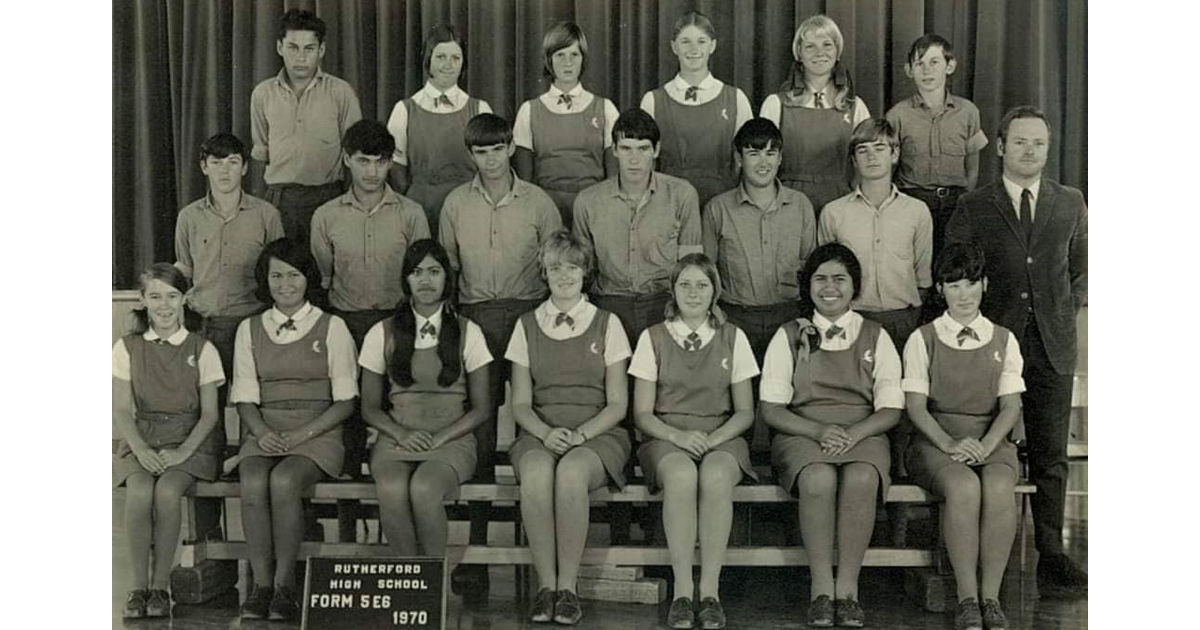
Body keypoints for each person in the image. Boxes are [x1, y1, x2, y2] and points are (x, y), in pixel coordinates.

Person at [946, 105, 1088, 599]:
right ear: (1001, 147)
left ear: (1049, 149)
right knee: (986, 444)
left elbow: (1081, 272)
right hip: (992, 344)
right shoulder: (975, 205)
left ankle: (1051, 553)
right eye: (1021, 142)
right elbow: (958, 267)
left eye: (1040, 144)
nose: (1030, 151)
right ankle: (984, 554)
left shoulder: (1070, 202)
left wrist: (1060, 313)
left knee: (1050, 454)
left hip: (1051, 343)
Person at [439, 112, 562, 596]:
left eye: (498, 149)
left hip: (531, 315)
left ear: (511, 147)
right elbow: (448, 270)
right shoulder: (454, 204)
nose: (490, 159)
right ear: (470, 154)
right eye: (480, 152)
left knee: (542, 418)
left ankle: (544, 552)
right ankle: (478, 549)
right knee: (482, 427)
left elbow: (557, 264)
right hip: (476, 318)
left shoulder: (538, 202)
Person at [760, 242, 903, 628]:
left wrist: (854, 433)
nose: (830, 287)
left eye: (840, 279)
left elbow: (891, 406)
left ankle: (848, 591)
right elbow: (772, 408)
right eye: (820, 278)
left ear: (854, 286)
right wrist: (819, 430)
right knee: (819, 477)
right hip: (803, 431)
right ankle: (821, 590)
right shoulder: (788, 335)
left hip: (864, 431)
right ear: (808, 286)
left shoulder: (876, 335)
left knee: (860, 476)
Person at [504, 230, 632, 625]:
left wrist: (582, 435)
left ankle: (569, 588)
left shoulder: (608, 323)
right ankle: (547, 587)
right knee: (539, 473)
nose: (564, 275)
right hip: (540, 432)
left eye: (572, 267)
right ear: (544, 272)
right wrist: (544, 433)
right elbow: (521, 404)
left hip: (598, 434)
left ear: (585, 272)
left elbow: (617, 404)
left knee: (572, 473)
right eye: (555, 267)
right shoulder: (526, 325)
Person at [230, 239, 358, 621]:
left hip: (317, 433)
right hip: (266, 429)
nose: (286, 284)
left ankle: (286, 587)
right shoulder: (248, 329)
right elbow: (245, 398)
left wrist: (302, 436)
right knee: (252, 481)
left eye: (294, 275)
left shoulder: (332, 326)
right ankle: (261, 587)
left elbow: (346, 401)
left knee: (285, 481)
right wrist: (262, 432)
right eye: (277, 275)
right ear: (265, 280)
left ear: (308, 278)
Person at [629, 253, 759, 630]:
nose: (693, 292)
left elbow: (746, 411)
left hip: (721, 434)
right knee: (682, 477)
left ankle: (711, 593)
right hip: (666, 435)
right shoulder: (652, 337)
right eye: (684, 284)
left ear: (715, 291)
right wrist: (678, 437)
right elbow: (642, 413)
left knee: (717, 476)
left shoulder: (733, 336)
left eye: (702, 284)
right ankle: (683, 591)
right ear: (672, 290)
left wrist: (714, 438)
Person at [902, 242, 1024, 630]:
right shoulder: (923, 338)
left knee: (1000, 487)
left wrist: (987, 445)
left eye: (971, 283)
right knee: (964, 487)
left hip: (991, 439)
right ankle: (967, 597)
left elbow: (1010, 407)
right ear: (940, 290)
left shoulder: (1004, 339)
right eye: (953, 285)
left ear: (984, 285)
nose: (964, 294)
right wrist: (951, 445)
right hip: (936, 440)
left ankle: (991, 597)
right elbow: (916, 408)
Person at [174, 131, 284, 541]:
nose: (225, 170)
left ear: (245, 166)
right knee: (207, 426)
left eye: (233, 162)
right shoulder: (189, 217)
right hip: (204, 331)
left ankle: (271, 528)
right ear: (204, 167)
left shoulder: (265, 215)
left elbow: (278, 273)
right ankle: (209, 534)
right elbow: (185, 271)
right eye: (216, 162)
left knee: (261, 419)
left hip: (254, 328)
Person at [311, 119, 431, 478]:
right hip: (348, 323)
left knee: (401, 411)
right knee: (349, 417)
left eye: (380, 162)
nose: (372, 171)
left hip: (399, 322)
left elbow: (422, 276)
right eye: (363, 161)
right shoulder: (326, 216)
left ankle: (403, 492)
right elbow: (324, 278)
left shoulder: (411, 213)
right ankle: (348, 514)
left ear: (391, 162)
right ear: (347, 159)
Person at [359, 239, 492, 558]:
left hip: (450, 439)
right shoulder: (382, 332)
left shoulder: (468, 331)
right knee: (391, 488)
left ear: (447, 278)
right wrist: (402, 434)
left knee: (424, 487)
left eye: (434, 271)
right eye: (417, 272)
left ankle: (434, 588)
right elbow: (369, 407)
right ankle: (410, 581)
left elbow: (482, 407)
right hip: (397, 438)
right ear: (406, 279)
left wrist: (439, 437)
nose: (426, 280)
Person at [113, 264, 225, 619]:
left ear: (184, 300)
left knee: (167, 491)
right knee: (139, 490)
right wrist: (142, 450)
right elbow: (121, 411)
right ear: (143, 300)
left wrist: (181, 453)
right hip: (143, 439)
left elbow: (209, 415)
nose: (164, 306)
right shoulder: (127, 347)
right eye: (155, 296)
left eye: (172, 297)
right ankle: (137, 588)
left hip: (189, 442)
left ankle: (160, 587)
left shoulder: (202, 348)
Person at [573, 108, 703, 343]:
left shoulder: (682, 195)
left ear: (656, 150)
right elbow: (581, 270)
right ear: (614, 150)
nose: (634, 159)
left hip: (665, 303)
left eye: (643, 148)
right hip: (609, 304)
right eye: (626, 149)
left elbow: (691, 266)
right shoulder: (588, 201)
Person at [702, 117, 817, 362]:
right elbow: (706, 272)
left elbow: (811, 268)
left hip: (789, 317)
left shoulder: (800, 205)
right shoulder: (718, 209)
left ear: (780, 157)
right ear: (738, 158)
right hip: (735, 318)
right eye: (754, 153)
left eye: (770, 153)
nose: (763, 162)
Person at [817, 118, 932, 351]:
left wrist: (909, 315)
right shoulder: (833, 213)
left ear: (894, 154)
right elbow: (826, 276)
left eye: (879, 148)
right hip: (852, 319)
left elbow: (922, 276)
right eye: (863, 150)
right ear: (854, 160)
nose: (871, 157)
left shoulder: (917, 211)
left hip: (904, 320)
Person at [250, 8, 362, 244]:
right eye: (293, 47)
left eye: (309, 48)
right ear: (279, 47)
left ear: (321, 50)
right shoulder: (263, 94)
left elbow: (356, 155)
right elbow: (260, 154)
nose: (301, 57)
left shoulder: (341, 93)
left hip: (329, 197)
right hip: (280, 201)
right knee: (282, 271)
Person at [886, 34, 988, 273]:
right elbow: (889, 167)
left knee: (953, 266)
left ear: (949, 66)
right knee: (917, 265)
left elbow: (972, 164)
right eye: (919, 64)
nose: (926, 70)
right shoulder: (897, 115)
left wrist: (965, 197)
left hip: (955, 202)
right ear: (909, 70)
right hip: (914, 201)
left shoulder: (968, 112)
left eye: (934, 62)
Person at [386, 24, 494, 236]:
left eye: (455, 58)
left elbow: (491, 166)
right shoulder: (405, 109)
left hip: (469, 210)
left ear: (463, 63)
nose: (448, 65)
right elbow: (397, 170)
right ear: (428, 59)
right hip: (421, 209)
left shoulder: (480, 108)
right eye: (441, 57)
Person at [639, 11, 753, 208]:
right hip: (668, 206)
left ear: (713, 45)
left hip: (723, 206)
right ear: (674, 46)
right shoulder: (653, 101)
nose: (694, 49)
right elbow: (644, 163)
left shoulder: (736, 98)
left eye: (701, 41)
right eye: (685, 41)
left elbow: (746, 161)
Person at [760, 15, 870, 217]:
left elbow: (866, 165)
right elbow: (762, 163)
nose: (820, 52)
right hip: (788, 205)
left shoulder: (855, 107)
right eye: (810, 46)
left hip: (841, 205)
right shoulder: (776, 104)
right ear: (799, 53)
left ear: (837, 51)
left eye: (827, 44)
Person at [514, 21, 620, 229]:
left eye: (574, 55)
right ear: (549, 60)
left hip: (594, 209)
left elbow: (614, 178)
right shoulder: (529, 110)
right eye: (560, 55)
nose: (567, 63)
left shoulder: (606, 108)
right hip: (546, 209)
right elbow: (524, 182)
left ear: (583, 59)